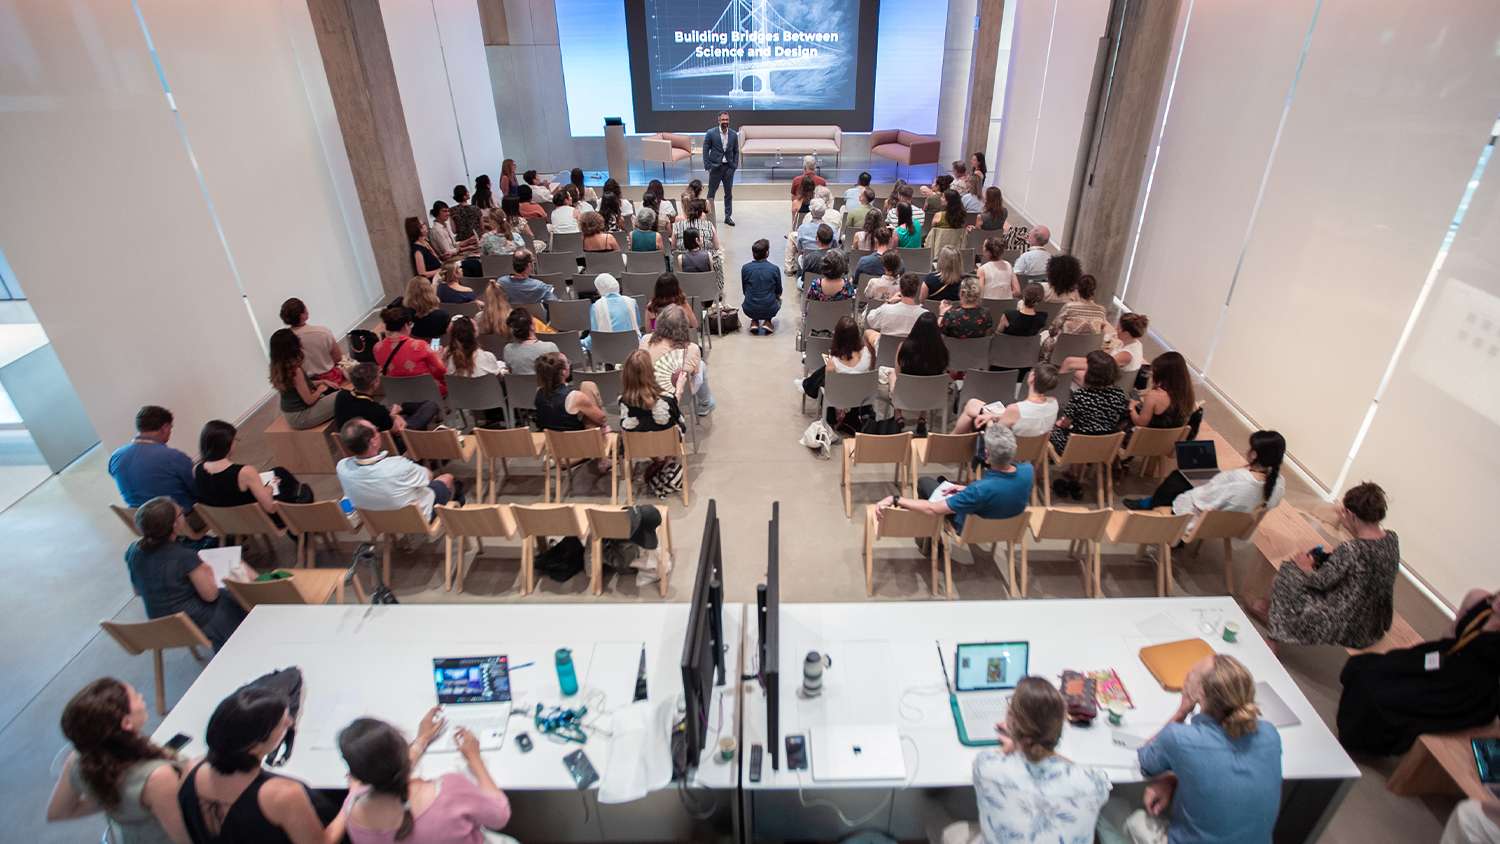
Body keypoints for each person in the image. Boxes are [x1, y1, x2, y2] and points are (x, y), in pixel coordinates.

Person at [1105, 654, 1282, 844]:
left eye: (1191, 675)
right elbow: (1223, 770)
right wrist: (1174, 781)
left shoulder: (1180, 738)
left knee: (1107, 806)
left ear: (1200, 694)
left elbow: (1146, 759)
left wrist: (1182, 712)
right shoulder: (1270, 734)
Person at [932, 676, 1110, 844]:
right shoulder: (1093, 783)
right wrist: (1031, 745)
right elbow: (1079, 773)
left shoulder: (987, 766)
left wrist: (1018, 745)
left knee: (937, 820)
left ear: (1011, 721)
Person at [1337, 588, 1500, 757]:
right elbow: (1451, 634)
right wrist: (1423, 664)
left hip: (1465, 688)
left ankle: (1362, 738)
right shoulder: (1478, 598)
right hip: (1444, 657)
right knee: (1370, 668)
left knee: (1387, 696)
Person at [178, 686, 336, 843]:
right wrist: (352, 797)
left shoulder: (191, 768)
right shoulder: (283, 794)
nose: (290, 722)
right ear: (255, 745)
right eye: (282, 723)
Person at [1254, 482, 1400, 649]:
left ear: (1351, 515)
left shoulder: (1352, 550)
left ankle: (1274, 636)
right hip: (1375, 621)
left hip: (1348, 624)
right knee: (1302, 570)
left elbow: (1320, 582)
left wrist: (1305, 567)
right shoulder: (1391, 539)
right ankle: (1271, 613)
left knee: (1289, 572)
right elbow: (1364, 570)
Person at [47, 677, 189, 843]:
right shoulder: (157, 777)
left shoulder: (79, 760)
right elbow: (185, 838)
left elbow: (58, 812)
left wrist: (112, 801)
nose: (141, 696)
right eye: (135, 696)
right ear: (126, 722)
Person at [335, 715, 511, 844]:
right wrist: (475, 758)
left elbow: (388, 774)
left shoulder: (352, 808)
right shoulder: (448, 790)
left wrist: (422, 740)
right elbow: (500, 816)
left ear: (356, 775)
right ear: (402, 746)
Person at [123, 497, 246, 651]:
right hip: (196, 621)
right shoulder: (183, 556)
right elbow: (211, 595)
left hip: (161, 624)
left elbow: (138, 591)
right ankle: (240, 644)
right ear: (174, 525)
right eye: (180, 513)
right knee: (235, 595)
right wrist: (207, 571)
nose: (183, 512)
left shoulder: (133, 550)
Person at [877, 424, 1033, 535]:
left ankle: (930, 541)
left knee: (925, 483)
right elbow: (1001, 489)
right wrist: (965, 489)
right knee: (948, 484)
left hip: (969, 529)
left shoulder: (979, 490)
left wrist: (895, 499)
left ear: (986, 454)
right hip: (1005, 529)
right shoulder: (1028, 471)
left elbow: (933, 509)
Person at [1123, 431, 1287, 533]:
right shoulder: (1278, 484)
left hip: (1201, 520)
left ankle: (1151, 505)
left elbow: (1199, 500)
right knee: (1189, 477)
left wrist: (1205, 484)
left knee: (1178, 479)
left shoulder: (1239, 479)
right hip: (1232, 525)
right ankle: (1150, 503)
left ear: (1254, 455)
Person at [338, 419, 456, 520]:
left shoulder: (342, 467)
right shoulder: (398, 466)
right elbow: (428, 477)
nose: (379, 433)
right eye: (376, 431)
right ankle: (456, 518)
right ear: (373, 442)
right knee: (447, 478)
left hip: (379, 521)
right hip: (418, 519)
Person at [1049, 351, 1129, 498]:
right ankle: (1075, 474)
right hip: (1104, 447)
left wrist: (1059, 424)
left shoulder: (1081, 396)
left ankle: (1042, 475)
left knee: (1053, 431)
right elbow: (1119, 420)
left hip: (1076, 445)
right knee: (1086, 433)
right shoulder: (1119, 394)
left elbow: (1066, 423)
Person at [194, 419, 307, 520]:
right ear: (227, 445)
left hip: (227, 520)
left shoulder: (197, 469)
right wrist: (269, 488)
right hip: (256, 519)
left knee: (279, 471)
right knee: (296, 488)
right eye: (235, 440)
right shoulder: (245, 472)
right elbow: (271, 508)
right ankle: (303, 520)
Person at [110, 405, 197, 511]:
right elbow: (197, 488)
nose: (170, 432)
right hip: (182, 522)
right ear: (165, 428)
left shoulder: (115, 458)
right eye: (171, 428)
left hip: (145, 524)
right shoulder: (172, 457)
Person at [953, 364, 1061, 438]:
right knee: (974, 404)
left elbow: (994, 436)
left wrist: (989, 420)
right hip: (1032, 450)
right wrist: (992, 416)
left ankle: (949, 441)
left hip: (1006, 452)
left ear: (1032, 377)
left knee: (972, 408)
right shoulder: (1054, 402)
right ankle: (951, 439)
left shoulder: (1016, 409)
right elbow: (1029, 417)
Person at [334, 363, 440, 439]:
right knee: (430, 406)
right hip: (389, 444)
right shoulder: (375, 409)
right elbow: (397, 430)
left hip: (354, 443)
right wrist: (394, 414)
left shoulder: (341, 396)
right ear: (375, 383)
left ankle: (404, 409)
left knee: (404, 407)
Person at [643, 305, 714, 415]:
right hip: (678, 394)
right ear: (684, 327)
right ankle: (705, 404)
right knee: (701, 365)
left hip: (647, 392)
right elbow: (695, 373)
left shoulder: (645, 340)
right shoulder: (692, 348)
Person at [887, 311, 950, 433]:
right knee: (928, 382)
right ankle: (922, 417)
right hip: (932, 396)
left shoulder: (904, 346)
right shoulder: (942, 350)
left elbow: (898, 373)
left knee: (892, 375)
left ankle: (898, 414)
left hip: (906, 393)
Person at [268, 328, 338, 429]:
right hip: (301, 416)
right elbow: (309, 400)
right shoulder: (295, 370)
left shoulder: (277, 366)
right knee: (343, 397)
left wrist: (322, 381)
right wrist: (320, 389)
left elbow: (299, 387)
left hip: (290, 414)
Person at [373, 306, 448, 396]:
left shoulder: (377, 348)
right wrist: (439, 358)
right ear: (406, 325)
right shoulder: (420, 346)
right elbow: (441, 371)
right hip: (428, 393)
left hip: (399, 394)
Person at [798, 315, 876, 399]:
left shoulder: (834, 362)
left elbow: (829, 389)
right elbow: (871, 370)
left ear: (837, 337)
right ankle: (806, 384)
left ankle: (806, 384)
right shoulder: (868, 354)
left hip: (839, 400)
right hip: (863, 397)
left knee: (823, 374)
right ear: (857, 334)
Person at [533, 352, 607, 432]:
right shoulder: (575, 397)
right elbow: (601, 419)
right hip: (576, 440)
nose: (569, 364)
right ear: (563, 372)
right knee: (588, 386)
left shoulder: (539, 392)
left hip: (550, 440)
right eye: (567, 362)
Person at [280, 298, 345, 385]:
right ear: (303, 314)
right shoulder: (323, 332)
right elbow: (338, 357)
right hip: (332, 380)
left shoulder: (284, 340)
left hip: (306, 385)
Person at [1126, 351, 1195, 431]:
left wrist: (1131, 407)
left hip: (1146, 440)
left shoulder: (1153, 396)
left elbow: (1140, 423)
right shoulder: (1188, 394)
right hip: (1170, 441)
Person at [865, 272, 928, 338]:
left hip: (886, 346)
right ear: (918, 289)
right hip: (912, 347)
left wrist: (888, 302)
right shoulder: (925, 315)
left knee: (868, 333)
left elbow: (870, 319)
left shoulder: (886, 309)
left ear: (900, 288)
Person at [703, 110, 739, 225]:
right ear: (719, 120)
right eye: (723, 119)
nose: (725, 122)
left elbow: (736, 151)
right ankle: (709, 218)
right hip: (715, 168)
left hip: (728, 168)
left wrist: (734, 165)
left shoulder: (733, 134)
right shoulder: (710, 133)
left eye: (727, 120)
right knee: (711, 193)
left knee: (728, 194)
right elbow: (705, 149)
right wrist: (708, 166)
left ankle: (728, 217)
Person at [501, 307, 560, 375]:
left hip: (520, 385)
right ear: (532, 326)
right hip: (546, 385)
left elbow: (511, 371)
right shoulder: (549, 348)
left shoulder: (508, 349)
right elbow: (558, 373)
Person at [741, 238, 782, 335]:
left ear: (753, 253)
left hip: (749, 308)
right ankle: (768, 321)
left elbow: (744, 290)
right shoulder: (774, 269)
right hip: (770, 307)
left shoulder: (745, 268)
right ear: (767, 253)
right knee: (778, 299)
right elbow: (779, 291)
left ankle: (754, 321)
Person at [394, 276, 452, 341]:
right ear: (430, 291)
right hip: (434, 347)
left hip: (408, 345)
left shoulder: (400, 309)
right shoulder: (442, 316)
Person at [925, 190, 967, 255]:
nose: (941, 199)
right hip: (956, 253)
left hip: (938, 252)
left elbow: (932, 235)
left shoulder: (938, 215)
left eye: (943, 197)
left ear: (949, 201)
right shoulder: (962, 217)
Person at [798, 224, 838, 289]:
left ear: (817, 239)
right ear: (831, 240)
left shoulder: (810, 257)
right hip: (833, 289)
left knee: (799, 280)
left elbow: (804, 279)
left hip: (813, 291)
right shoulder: (839, 256)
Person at [406, 217, 441, 281]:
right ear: (416, 229)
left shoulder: (425, 242)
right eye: (422, 225)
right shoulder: (417, 250)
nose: (425, 226)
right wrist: (440, 271)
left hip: (440, 276)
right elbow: (422, 274)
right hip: (435, 282)